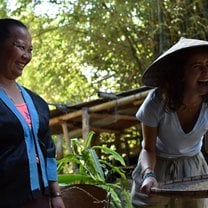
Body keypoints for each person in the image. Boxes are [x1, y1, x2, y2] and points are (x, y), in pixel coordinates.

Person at [131, 37, 208, 208]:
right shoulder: (157, 102)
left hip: (193, 165)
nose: (206, 71)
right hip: (157, 164)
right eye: (197, 66)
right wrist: (148, 174)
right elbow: (148, 148)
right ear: (180, 73)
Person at [0, 18, 65, 208]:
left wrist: (55, 194)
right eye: (21, 47)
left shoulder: (37, 103)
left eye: (30, 50)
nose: (26, 56)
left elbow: (48, 149)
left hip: (39, 200)